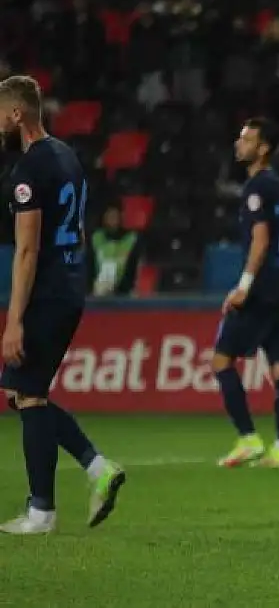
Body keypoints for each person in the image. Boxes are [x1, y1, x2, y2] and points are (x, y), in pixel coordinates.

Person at [0, 75, 126, 534]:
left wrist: (13, 321)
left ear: (16, 114)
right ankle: (96, 470)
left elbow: (28, 250)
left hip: (48, 290)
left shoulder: (29, 170)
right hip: (72, 285)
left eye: (0, 115)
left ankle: (42, 511)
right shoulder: (67, 156)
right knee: (24, 393)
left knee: (28, 394)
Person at [212, 118, 279, 470]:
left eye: (247, 139)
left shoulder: (255, 188)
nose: (239, 143)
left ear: (263, 148)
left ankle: (248, 439)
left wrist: (243, 287)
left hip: (262, 288)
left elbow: (260, 239)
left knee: (221, 360)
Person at [88, 205, 141, 296]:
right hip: (98, 293)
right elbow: (89, 268)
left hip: (123, 294)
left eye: (115, 215)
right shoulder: (95, 238)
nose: (112, 219)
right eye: (109, 215)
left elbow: (133, 270)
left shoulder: (132, 240)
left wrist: (119, 289)